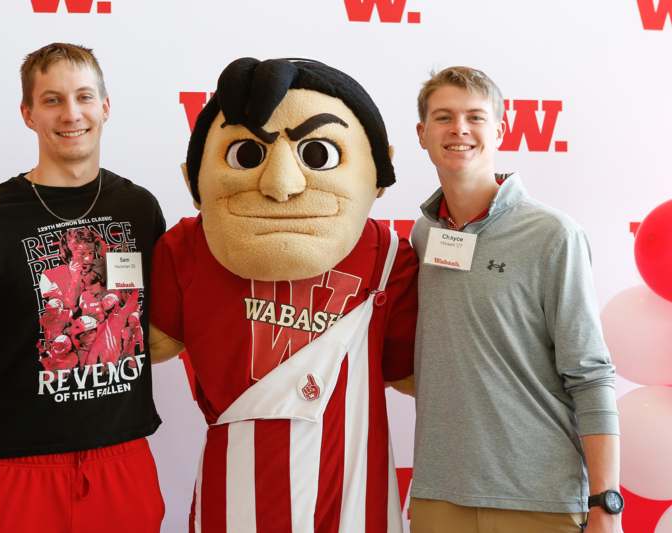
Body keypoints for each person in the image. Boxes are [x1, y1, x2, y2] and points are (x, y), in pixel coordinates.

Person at [149, 57, 419, 532]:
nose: (280, 184)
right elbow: (146, 345)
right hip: (234, 497)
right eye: (248, 156)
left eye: (317, 154)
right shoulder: (187, 249)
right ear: (193, 180)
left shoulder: (389, 255)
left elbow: (417, 374)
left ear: (378, 171)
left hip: (353, 499)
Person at [0, 43, 165, 533]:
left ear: (105, 107)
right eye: (52, 100)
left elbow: (167, 325)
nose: (71, 113)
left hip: (123, 464)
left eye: (84, 97)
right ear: (28, 114)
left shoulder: (140, 209)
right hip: (13, 473)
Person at [408, 66, 622, 533]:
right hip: (438, 495)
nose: (459, 129)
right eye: (443, 117)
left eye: (475, 117)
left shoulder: (553, 235)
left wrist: (606, 503)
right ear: (422, 134)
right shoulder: (424, 235)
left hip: (539, 497)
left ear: (501, 130)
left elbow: (589, 375)